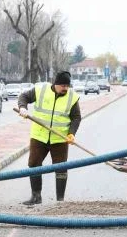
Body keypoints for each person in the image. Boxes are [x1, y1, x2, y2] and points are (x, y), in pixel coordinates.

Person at [17, 71, 81, 205]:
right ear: (56, 83)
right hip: (39, 136)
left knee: (61, 168)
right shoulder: (41, 90)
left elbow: (76, 117)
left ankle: (60, 201)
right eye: (63, 85)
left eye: (67, 86)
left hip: (60, 139)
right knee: (34, 164)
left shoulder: (72, 97)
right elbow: (24, 97)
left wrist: (71, 133)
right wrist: (22, 108)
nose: (65, 88)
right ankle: (36, 196)